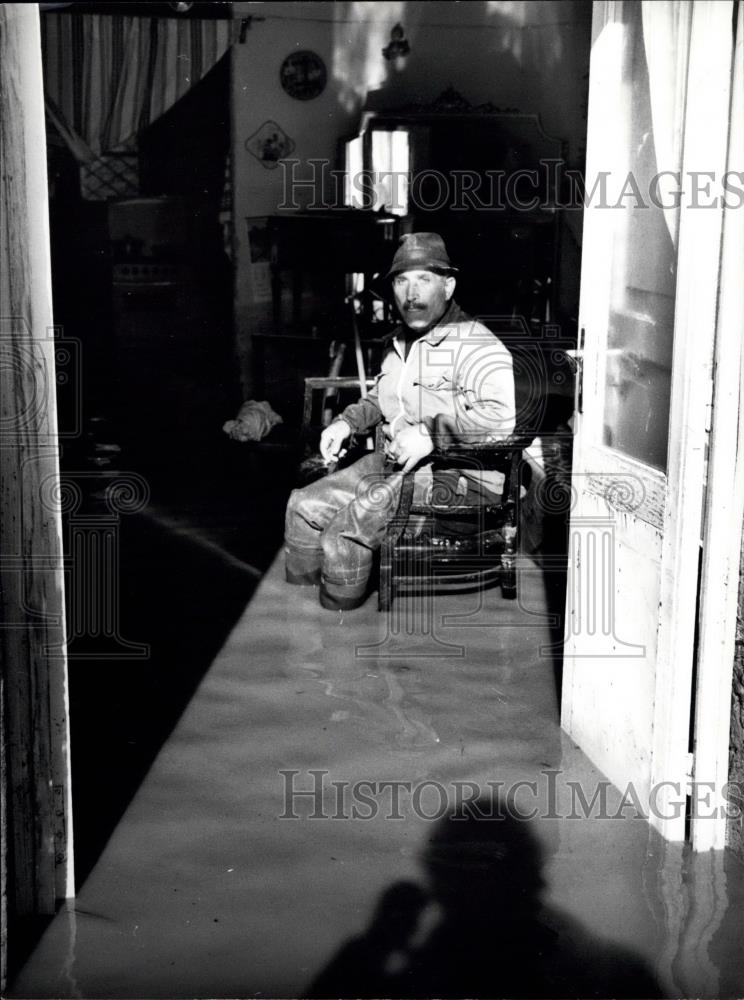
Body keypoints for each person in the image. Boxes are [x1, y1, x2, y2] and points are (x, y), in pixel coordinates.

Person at [284, 232, 516, 611]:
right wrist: (346, 423)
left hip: (458, 478)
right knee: (303, 506)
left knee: (346, 530)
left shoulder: (476, 344)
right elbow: (382, 397)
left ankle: (336, 624)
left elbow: (500, 418)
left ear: (448, 286)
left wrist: (431, 435)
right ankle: (294, 611)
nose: (412, 293)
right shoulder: (398, 343)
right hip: (398, 465)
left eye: (424, 279)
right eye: (402, 281)